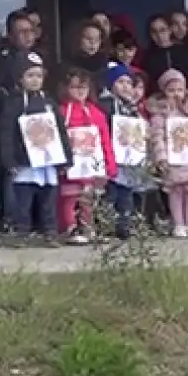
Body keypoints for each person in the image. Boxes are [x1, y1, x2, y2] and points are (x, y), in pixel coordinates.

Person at [0, 50, 65, 245]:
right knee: (23, 201)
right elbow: (6, 133)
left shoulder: (49, 103)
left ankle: (50, 232)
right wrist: (9, 159)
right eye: (30, 75)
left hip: (48, 161)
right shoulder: (13, 104)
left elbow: (60, 132)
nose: (35, 80)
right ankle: (22, 232)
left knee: (48, 200)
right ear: (20, 78)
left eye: (39, 75)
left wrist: (65, 158)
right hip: (24, 162)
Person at [57, 67, 114, 244]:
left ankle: (88, 227)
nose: (80, 91)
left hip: (91, 164)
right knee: (69, 197)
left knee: (88, 198)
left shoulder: (97, 113)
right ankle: (69, 228)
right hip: (71, 164)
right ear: (66, 88)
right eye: (75, 87)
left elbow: (105, 140)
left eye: (84, 87)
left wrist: (109, 164)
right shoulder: (60, 112)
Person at [100, 64, 154, 239]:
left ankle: (125, 226)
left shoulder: (132, 108)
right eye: (120, 82)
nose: (125, 86)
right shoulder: (106, 105)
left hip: (128, 160)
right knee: (111, 194)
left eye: (129, 83)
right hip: (112, 158)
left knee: (126, 195)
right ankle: (106, 226)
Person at [150, 69, 188, 237]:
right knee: (175, 191)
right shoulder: (160, 114)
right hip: (172, 160)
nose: (176, 94)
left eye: (180, 90)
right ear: (164, 92)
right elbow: (156, 137)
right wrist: (161, 157)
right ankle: (178, 223)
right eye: (171, 90)